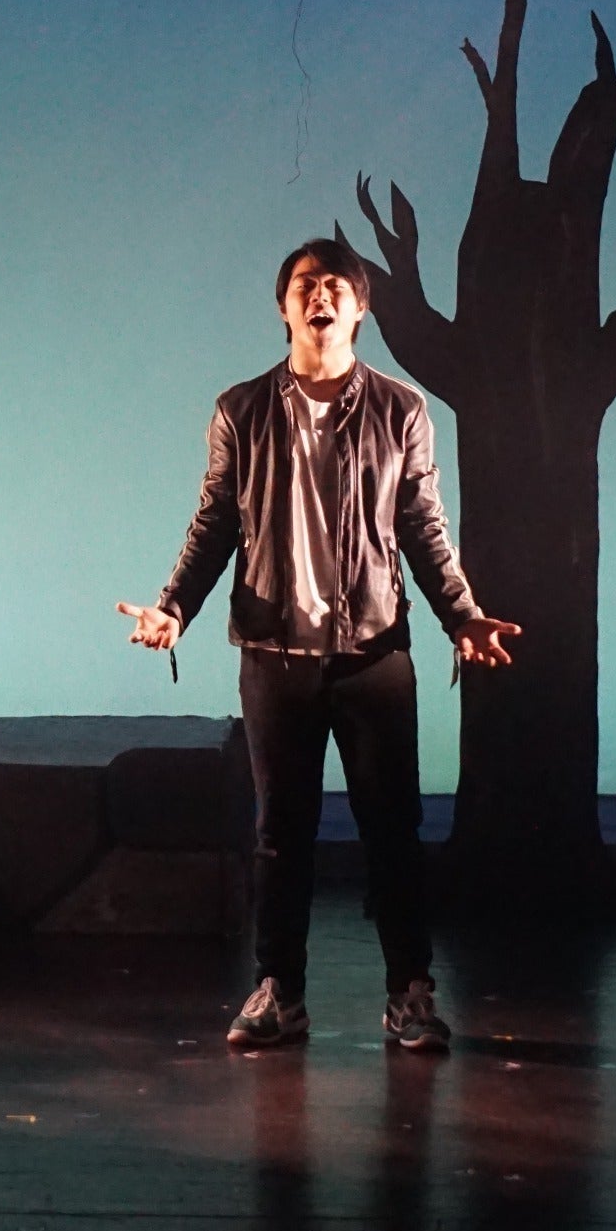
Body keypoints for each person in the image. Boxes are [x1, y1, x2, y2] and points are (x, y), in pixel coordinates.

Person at [119, 237, 517, 1055]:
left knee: (392, 832)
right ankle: (279, 993)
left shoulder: (402, 410)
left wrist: (463, 615)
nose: (320, 295)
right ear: (284, 306)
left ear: (360, 309)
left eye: (337, 284)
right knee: (280, 834)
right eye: (306, 284)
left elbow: (423, 527)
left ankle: (410, 993)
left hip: (374, 654)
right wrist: (174, 608)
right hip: (275, 658)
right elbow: (215, 522)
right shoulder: (241, 410)